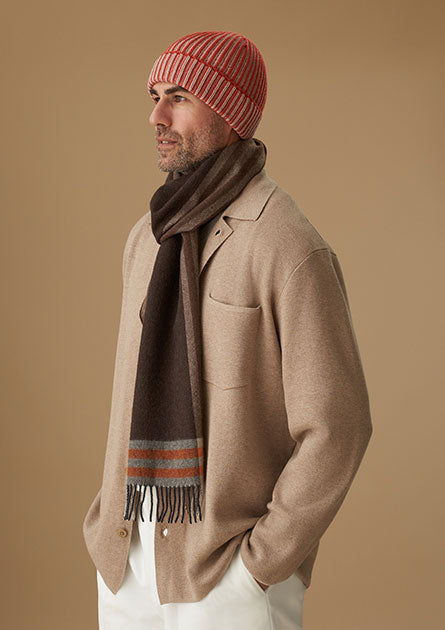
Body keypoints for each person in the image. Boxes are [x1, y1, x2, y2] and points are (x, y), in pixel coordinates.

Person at [82, 30, 373, 629]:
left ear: (231, 111)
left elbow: (339, 426)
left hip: (225, 575)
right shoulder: (147, 237)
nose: (157, 116)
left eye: (180, 97)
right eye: (156, 97)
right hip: (127, 565)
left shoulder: (285, 244)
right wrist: (105, 523)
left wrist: (259, 566)